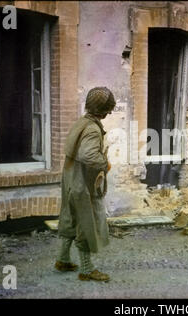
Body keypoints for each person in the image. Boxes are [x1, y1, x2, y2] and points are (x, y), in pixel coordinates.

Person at [54, 87, 115, 281]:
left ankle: (62, 259)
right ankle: (87, 270)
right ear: (103, 110)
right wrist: (105, 164)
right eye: (108, 109)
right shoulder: (92, 128)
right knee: (86, 222)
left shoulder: (81, 122)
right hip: (83, 182)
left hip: (71, 178)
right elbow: (88, 154)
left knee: (70, 218)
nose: (109, 113)